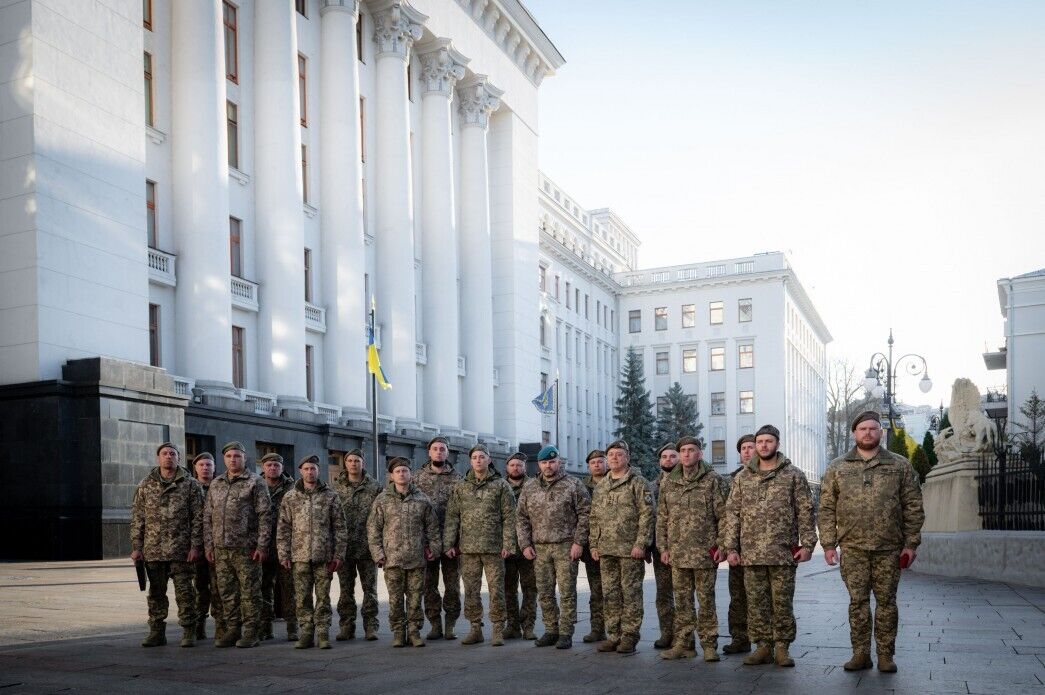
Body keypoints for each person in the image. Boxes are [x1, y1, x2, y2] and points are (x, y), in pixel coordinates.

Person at [818, 410, 925, 673]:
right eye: (862, 428)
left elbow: (913, 506)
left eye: (873, 428)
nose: (868, 433)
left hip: (888, 548)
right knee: (858, 603)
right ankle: (861, 654)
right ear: (855, 433)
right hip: (853, 548)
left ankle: (886, 655)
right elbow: (826, 508)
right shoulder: (837, 467)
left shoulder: (899, 465)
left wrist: (911, 545)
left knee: (887, 603)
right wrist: (829, 545)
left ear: (881, 432)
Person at [723, 425, 816, 668]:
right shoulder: (743, 477)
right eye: (760, 441)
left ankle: (783, 647)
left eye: (768, 441)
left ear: (777, 444)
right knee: (756, 604)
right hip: (751, 554)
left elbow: (805, 511)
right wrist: (731, 548)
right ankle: (763, 646)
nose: (764, 445)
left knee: (782, 603)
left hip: (782, 552)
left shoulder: (793, 474)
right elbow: (732, 514)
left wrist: (808, 544)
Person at [657, 435, 726, 662]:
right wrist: (663, 547)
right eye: (683, 450)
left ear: (700, 454)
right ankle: (684, 644)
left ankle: (709, 644)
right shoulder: (669, 482)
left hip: (705, 553)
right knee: (682, 601)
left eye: (691, 450)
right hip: (677, 553)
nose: (686, 454)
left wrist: (722, 545)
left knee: (706, 600)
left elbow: (723, 516)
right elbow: (662, 518)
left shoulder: (712, 480)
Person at [516, 445, 590, 649]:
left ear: (559, 462)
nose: (548, 466)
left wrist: (578, 542)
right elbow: (521, 518)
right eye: (544, 462)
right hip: (540, 548)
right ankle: (551, 629)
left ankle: (566, 632)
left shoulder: (574, 484)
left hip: (566, 546)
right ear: (539, 464)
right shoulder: (529, 487)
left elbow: (585, 514)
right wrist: (524, 544)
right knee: (545, 591)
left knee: (567, 591)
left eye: (552, 461)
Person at [131, 442, 204, 648]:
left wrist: (195, 546)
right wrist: (137, 547)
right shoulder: (146, 484)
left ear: (179, 458)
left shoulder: (191, 484)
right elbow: (138, 517)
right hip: (153, 550)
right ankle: (156, 632)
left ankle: (189, 630)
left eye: (173, 454)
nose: (168, 457)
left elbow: (198, 518)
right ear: (158, 458)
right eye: (164, 454)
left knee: (185, 593)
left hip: (182, 550)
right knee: (155, 593)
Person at [444, 443, 517, 646]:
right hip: (468, 549)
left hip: (494, 548)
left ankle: (497, 629)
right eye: (475, 457)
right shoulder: (461, 486)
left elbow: (510, 517)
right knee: (471, 590)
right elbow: (452, 517)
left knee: (497, 590)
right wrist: (449, 544)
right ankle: (475, 628)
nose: (478, 460)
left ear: (489, 459)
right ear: (471, 461)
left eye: (482, 457)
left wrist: (509, 543)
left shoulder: (501, 485)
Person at [203, 441, 272, 648]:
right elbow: (207, 516)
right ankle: (233, 629)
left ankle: (252, 631)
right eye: (229, 456)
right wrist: (208, 545)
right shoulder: (216, 483)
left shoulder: (255, 482)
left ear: (245, 458)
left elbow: (265, 515)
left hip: (246, 549)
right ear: (224, 459)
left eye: (237, 456)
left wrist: (262, 545)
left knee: (250, 592)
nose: (233, 459)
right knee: (227, 592)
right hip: (221, 549)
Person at [368, 457, 441, 648]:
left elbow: (432, 528)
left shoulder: (422, 499)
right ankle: (399, 632)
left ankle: (414, 631)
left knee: (416, 598)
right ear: (392, 475)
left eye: (405, 471)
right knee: (395, 599)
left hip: (416, 559)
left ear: (410, 474)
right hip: (392, 559)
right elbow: (373, 529)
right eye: (398, 471)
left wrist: (434, 549)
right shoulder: (382, 500)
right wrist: (378, 554)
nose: (402, 474)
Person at [589, 440, 654, 655]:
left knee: (631, 594)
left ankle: (629, 636)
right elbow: (594, 517)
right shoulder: (602, 486)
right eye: (611, 455)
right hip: (606, 549)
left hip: (630, 550)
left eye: (619, 454)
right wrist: (594, 543)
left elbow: (647, 515)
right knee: (610, 594)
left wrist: (641, 543)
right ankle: (613, 635)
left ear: (627, 457)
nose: (614, 458)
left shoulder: (638, 482)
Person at [277, 455, 347, 650]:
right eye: (306, 468)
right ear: (301, 471)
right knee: (302, 597)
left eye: (313, 468)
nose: (310, 472)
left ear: (318, 470)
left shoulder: (330, 496)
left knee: (323, 597)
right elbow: (283, 528)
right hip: (299, 556)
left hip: (323, 556)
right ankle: (306, 632)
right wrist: (284, 554)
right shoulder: (290, 497)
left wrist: (339, 554)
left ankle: (323, 633)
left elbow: (340, 527)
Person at [332, 448, 382, 641]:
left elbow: (380, 518)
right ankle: (347, 626)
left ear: (363, 463)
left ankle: (371, 626)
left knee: (370, 590)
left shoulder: (375, 487)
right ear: (345, 463)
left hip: (367, 547)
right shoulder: (335, 488)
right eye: (350, 460)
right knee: (345, 590)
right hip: (343, 548)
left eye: (357, 461)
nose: (354, 464)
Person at [415, 436, 462, 640]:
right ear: (429, 452)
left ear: (447, 453)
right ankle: (435, 623)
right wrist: (423, 543)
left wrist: (457, 542)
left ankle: (450, 624)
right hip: (427, 543)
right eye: (435, 449)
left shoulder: (458, 479)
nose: (439, 452)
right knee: (429, 585)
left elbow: (464, 513)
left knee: (452, 585)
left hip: (451, 541)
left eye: (443, 449)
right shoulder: (416, 478)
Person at [722, 434, 756, 655]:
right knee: (738, 596)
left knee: (762, 597)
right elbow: (725, 515)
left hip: (763, 548)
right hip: (738, 548)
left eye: (751, 447)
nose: (747, 451)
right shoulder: (731, 479)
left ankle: (766, 641)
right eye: (743, 448)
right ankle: (740, 638)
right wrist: (727, 547)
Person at [259, 453, 296, 642]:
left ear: (281, 467)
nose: (272, 468)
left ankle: (292, 628)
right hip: (263, 546)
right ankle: (265, 627)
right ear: (263, 467)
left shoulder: (293, 487)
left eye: (276, 465)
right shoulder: (256, 485)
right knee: (264, 587)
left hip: (286, 546)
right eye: (269, 465)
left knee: (289, 588)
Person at [502, 452, 537, 640]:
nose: (516, 468)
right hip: (507, 547)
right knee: (508, 588)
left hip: (529, 547)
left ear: (525, 467)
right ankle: (512, 625)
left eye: (520, 465)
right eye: (512, 465)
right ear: (507, 467)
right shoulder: (500, 486)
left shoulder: (534, 486)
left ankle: (529, 625)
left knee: (530, 588)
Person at [190, 452, 224, 641]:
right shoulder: (189, 487)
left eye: (209, 465)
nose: (205, 468)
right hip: (197, 547)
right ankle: (198, 625)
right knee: (199, 588)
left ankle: (220, 626)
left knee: (218, 588)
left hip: (218, 546)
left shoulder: (221, 486)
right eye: (201, 465)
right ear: (195, 468)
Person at [650, 442, 679, 650]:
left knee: (685, 595)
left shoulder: (686, 481)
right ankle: (666, 633)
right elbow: (648, 517)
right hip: (661, 549)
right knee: (663, 594)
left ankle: (683, 636)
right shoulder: (652, 486)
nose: (668, 460)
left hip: (685, 548)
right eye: (664, 457)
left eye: (672, 456)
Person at [580, 449, 607, 643]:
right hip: (592, 545)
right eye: (593, 462)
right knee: (596, 590)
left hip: (616, 544)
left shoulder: (615, 481)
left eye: (600, 461)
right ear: (588, 467)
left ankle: (620, 630)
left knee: (617, 591)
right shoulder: (581, 486)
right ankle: (597, 628)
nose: (597, 465)